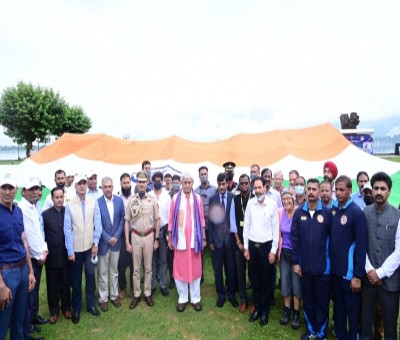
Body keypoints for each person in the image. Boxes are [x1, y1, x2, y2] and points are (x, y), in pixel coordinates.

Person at [360, 172, 400, 340]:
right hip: (368, 279)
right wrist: (370, 270)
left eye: (383, 189)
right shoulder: (364, 212)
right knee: (366, 324)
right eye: (375, 188)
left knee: (390, 327)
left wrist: (380, 272)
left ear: (389, 191)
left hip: (390, 282)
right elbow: (361, 244)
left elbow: (399, 251)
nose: (378, 192)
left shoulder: (397, 215)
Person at [291, 178, 332, 340]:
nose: (312, 192)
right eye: (310, 189)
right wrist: (295, 262)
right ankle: (311, 331)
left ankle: (321, 333)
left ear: (319, 192)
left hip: (324, 268)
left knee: (322, 302)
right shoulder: (299, 212)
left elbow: (333, 240)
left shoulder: (328, 214)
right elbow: (295, 240)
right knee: (308, 300)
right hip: (305, 268)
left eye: (315, 189)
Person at [331, 175, 367, 340]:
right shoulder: (334, 210)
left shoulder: (356, 213)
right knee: (338, 308)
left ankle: (353, 336)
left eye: (341, 190)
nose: (338, 193)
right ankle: (340, 334)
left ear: (350, 190)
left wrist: (357, 276)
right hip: (336, 272)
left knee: (352, 311)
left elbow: (361, 246)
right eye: (336, 190)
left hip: (350, 274)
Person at [0, 173, 36, 340]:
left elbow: (24, 242)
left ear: (16, 190)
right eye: (4, 187)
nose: (7, 191)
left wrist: (30, 271)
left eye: (10, 188)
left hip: (22, 270)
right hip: (6, 273)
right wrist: (1, 284)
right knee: (2, 321)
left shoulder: (18, 211)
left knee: (19, 320)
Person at [64, 174, 103, 324]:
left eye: (84, 183)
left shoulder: (93, 202)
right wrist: (70, 251)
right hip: (76, 249)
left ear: (87, 185)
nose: (82, 186)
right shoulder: (70, 205)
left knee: (90, 276)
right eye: (79, 184)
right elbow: (68, 230)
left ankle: (91, 304)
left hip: (89, 248)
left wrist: (95, 244)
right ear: (75, 186)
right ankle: (77, 308)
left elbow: (97, 224)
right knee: (76, 280)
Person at [243, 176, 279, 327]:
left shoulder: (272, 204)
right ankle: (256, 308)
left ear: (265, 187)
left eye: (260, 187)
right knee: (255, 280)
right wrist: (246, 247)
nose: (257, 190)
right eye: (255, 188)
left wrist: (273, 251)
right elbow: (247, 226)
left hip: (266, 248)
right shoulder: (251, 204)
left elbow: (276, 229)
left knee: (265, 281)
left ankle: (264, 311)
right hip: (253, 246)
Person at [168, 172, 206, 312]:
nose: (187, 185)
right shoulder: (175, 199)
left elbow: (201, 220)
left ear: (192, 183)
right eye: (185, 182)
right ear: (181, 183)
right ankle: (182, 298)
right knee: (180, 270)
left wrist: (203, 237)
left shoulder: (198, 199)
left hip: (194, 241)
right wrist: (170, 237)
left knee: (196, 270)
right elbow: (171, 220)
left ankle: (196, 299)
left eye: (190, 182)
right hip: (180, 240)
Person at [125, 171, 160, 309]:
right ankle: (136, 295)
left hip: (149, 236)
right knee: (136, 268)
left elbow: (157, 220)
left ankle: (147, 294)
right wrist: (127, 242)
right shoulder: (131, 200)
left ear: (147, 183)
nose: (141, 184)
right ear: (137, 183)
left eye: (144, 181)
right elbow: (127, 221)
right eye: (139, 181)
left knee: (148, 268)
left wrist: (156, 239)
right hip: (136, 236)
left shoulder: (152, 199)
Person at [19, 177, 49, 337]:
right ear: (23, 191)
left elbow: (39, 233)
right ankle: (27, 328)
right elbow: (28, 238)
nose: (36, 192)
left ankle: (32, 320)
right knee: (28, 296)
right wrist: (39, 255)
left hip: (39, 257)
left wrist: (44, 250)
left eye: (38, 189)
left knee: (34, 293)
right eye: (32, 189)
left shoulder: (34, 206)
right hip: (32, 259)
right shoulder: (22, 209)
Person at [42, 187, 72, 324]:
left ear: (64, 197)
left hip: (66, 255)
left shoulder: (68, 212)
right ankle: (54, 311)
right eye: (56, 197)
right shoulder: (46, 214)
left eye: (61, 197)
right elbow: (42, 235)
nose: (59, 199)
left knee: (66, 283)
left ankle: (66, 307)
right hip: (52, 256)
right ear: (52, 199)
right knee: (52, 284)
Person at [208, 173, 237, 308]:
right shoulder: (213, 199)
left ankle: (231, 294)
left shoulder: (233, 198)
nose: (221, 186)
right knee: (218, 270)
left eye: (223, 184)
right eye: (219, 184)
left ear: (227, 183)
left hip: (230, 241)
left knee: (231, 269)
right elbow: (211, 221)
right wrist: (211, 241)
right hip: (217, 241)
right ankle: (221, 295)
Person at [97, 177, 125, 312]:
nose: (108, 189)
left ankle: (114, 296)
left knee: (114, 271)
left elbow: (122, 221)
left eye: (109, 186)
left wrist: (116, 236)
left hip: (116, 243)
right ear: (102, 188)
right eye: (105, 187)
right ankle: (103, 298)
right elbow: (97, 224)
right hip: (104, 243)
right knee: (102, 272)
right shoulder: (98, 203)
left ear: (113, 187)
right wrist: (108, 238)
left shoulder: (119, 201)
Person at [278, 190, 301, 330]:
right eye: (283, 198)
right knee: (285, 280)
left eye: (288, 198)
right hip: (284, 252)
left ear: (293, 200)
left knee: (296, 282)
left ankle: (296, 312)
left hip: (296, 253)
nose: (286, 201)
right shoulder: (280, 213)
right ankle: (287, 310)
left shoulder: (299, 213)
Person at [230, 174, 254, 313]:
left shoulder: (255, 198)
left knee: (253, 273)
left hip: (253, 242)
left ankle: (254, 301)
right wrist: (238, 241)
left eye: (246, 183)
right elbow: (233, 222)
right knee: (240, 272)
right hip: (239, 242)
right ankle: (243, 300)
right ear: (239, 185)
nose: (244, 185)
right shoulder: (235, 199)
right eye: (242, 183)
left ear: (250, 183)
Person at [149, 172, 171, 297]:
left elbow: (169, 216)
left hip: (163, 229)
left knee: (163, 259)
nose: (157, 182)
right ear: (152, 182)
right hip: (151, 231)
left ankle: (163, 285)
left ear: (162, 181)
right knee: (151, 260)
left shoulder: (167, 196)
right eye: (155, 180)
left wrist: (168, 232)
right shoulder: (148, 195)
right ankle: (152, 285)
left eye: (159, 180)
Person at [117, 173, 134, 299]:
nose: (126, 185)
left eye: (128, 183)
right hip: (121, 235)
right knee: (121, 263)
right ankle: (122, 288)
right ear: (121, 184)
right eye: (124, 183)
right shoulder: (117, 199)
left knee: (134, 262)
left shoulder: (135, 198)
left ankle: (134, 287)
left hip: (134, 234)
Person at [168, 174, 181, 288]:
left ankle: (181, 276)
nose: (176, 184)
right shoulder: (168, 196)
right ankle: (172, 278)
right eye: (174, 182)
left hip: (181, 231)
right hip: (169, 228)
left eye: (178, 182)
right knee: (170, 256)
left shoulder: (182, 196)